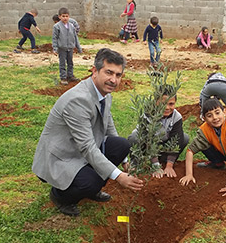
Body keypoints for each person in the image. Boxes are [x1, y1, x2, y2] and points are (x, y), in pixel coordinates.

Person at [32, 48, 144, 216]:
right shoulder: (78, 99)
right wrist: (119, 176)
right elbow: (87, 147)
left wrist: (124, 160)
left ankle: (92, 187)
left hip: (79, 149)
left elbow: (108, 125)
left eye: (118, 75)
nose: (113, 80)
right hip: (61, 157)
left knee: (122, 145)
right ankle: (60, 196)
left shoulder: (104, 92)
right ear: (94, 71)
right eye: (108, 72)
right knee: (91, 182)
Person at [179, 98, 226, 186]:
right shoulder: (204, 130)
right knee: (203, 144)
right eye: (209, 115)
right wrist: (189, 175)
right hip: (221, 153)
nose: (215, 118)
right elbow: (190, 151)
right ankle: (217, 163)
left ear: (224, 112)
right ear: (204, 118)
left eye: (217, 113)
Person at [128, 86, 189, 179]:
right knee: (134, 136)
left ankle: (164, 160)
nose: (167, 107)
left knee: (184, 138)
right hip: (146, 145)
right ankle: (135, 164)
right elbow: (148, 139)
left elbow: (176, 140)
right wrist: (155, 165)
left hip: (163, 144)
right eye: (163, 104)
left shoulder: (177, 117)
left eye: (171, 104)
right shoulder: (148, 114)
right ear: (156, 102)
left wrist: (169, 165)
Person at [52, 7, 82, 85]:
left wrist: (78, 47)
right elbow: (54, 38)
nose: (65, 18)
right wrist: (55, 48)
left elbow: (75, 37)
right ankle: (63, 78)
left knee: (70, 62)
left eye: (66, 16)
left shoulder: (71, 26)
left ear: (69, 16)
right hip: (62, 48)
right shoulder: (57, 27)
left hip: (70, 47)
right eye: (63, 16)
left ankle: (70, 76)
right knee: (62, 63)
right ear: (59, 17)